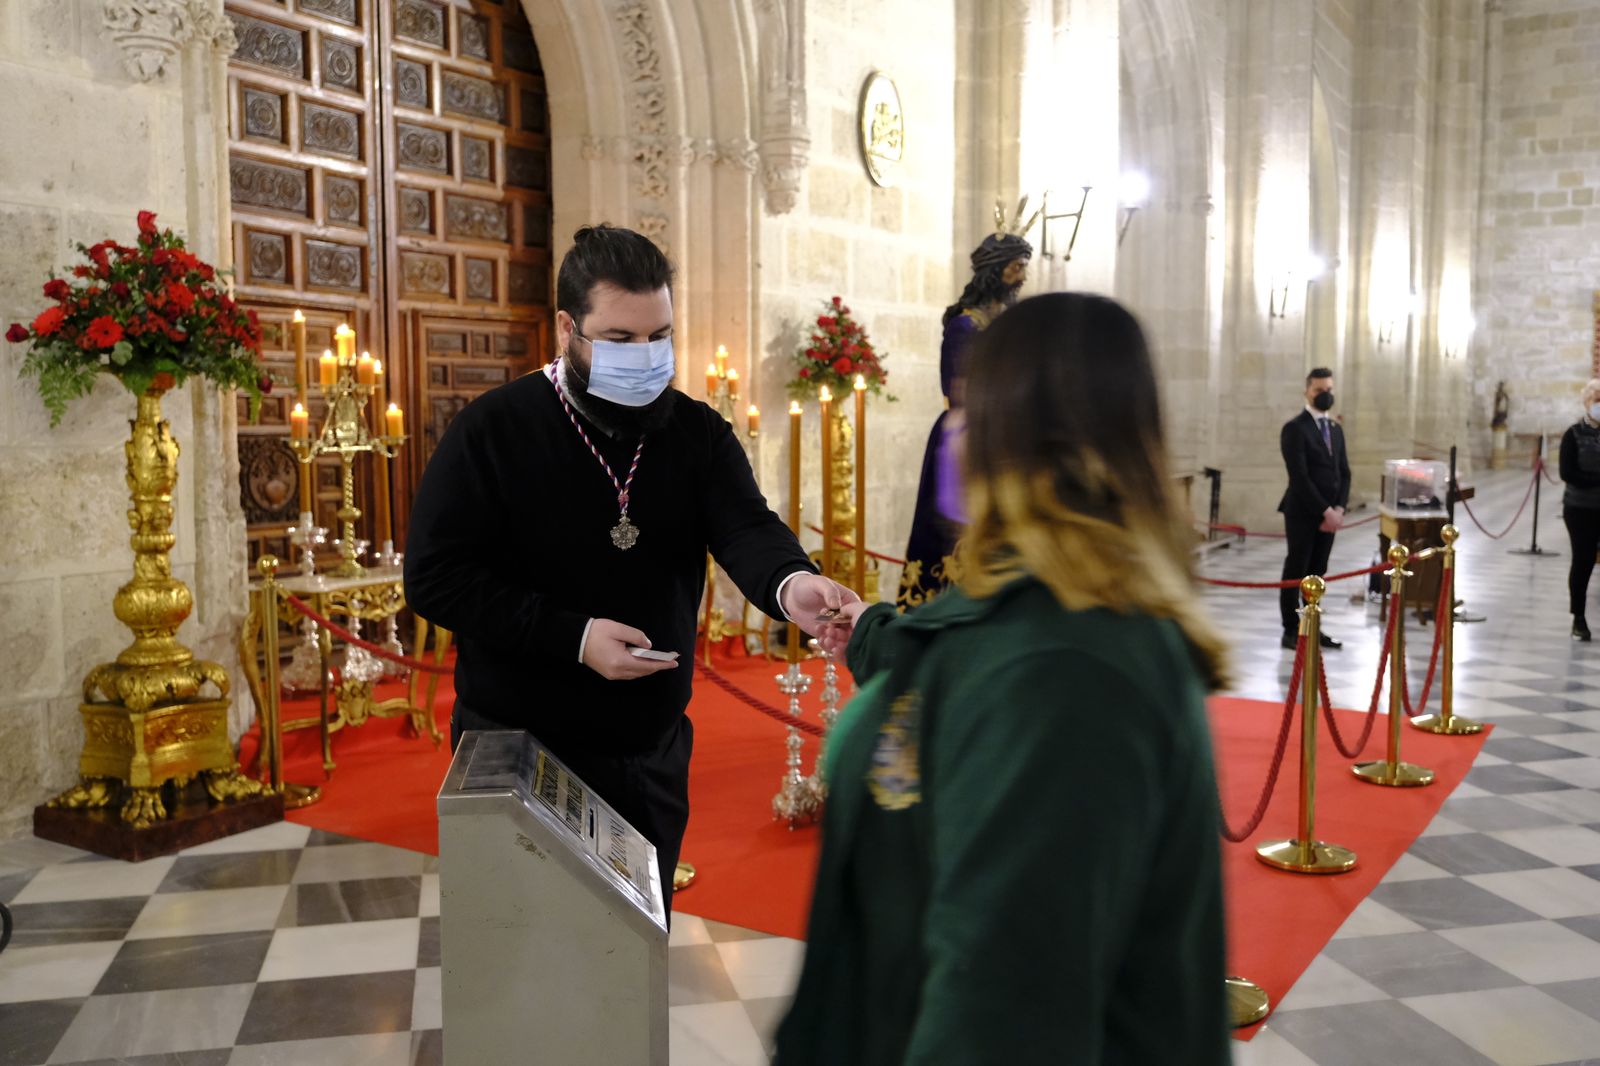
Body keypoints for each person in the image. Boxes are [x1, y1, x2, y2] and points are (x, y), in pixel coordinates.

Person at [776, 293, 1231, 1065]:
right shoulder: (1032, 608)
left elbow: (1007, 1011)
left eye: (969, 404)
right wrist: (870, 632)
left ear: (1011, 427)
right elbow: (959, 671)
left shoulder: (1071, 671)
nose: (951, 428)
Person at [404, 224, 857, 913]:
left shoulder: (696, 433)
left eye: (659, 337)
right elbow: (435, 576)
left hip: (649, 751)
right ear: (566, 328)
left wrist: (793, 583)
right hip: (521, 744)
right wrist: (574, 636)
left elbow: (745, 526)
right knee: (533, 957)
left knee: (632, 953)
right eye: (619, 340)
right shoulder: (495, 431)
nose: (645, 358)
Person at [897, 205, 1037, 610]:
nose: (1022, 276)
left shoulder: (1009, 321)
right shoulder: (965, 324)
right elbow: (959, 388)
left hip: (1004, 435)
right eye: (1015, 268)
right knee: (954, 539)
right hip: (970, 434)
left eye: (1023, 267)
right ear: (995, 271)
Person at [1278, 367, 1350, 650]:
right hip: (1303, 512)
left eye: (1329, 390)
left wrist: (1340, 508)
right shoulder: (1295, 428)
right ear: (1307, 391)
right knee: (1297, 569)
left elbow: (1344, 472)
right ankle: (1291, 630)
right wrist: (1325, 511)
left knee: (1318, 572)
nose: (1325, 395)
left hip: (1331, 515)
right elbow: (1299, 476)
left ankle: (1313, 626)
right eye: (1319, 390)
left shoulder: (1335, 429)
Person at [1559, 379, 1600, 642]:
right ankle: (1579, 618)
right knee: (1583, 561)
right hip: (1580, 508)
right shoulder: (1573, 434)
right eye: (1596, 399)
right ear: (1586, 402)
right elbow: (1568, 472)